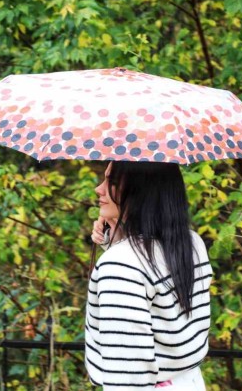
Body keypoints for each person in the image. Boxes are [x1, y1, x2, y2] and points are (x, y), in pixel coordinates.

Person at [84, 160, 212, 390]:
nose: (99, 189)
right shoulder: (192, 243)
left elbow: (128, 375)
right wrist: (118, 239)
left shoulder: (120, 266)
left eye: (110, 181)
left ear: (141, 189)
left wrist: (118, 250)